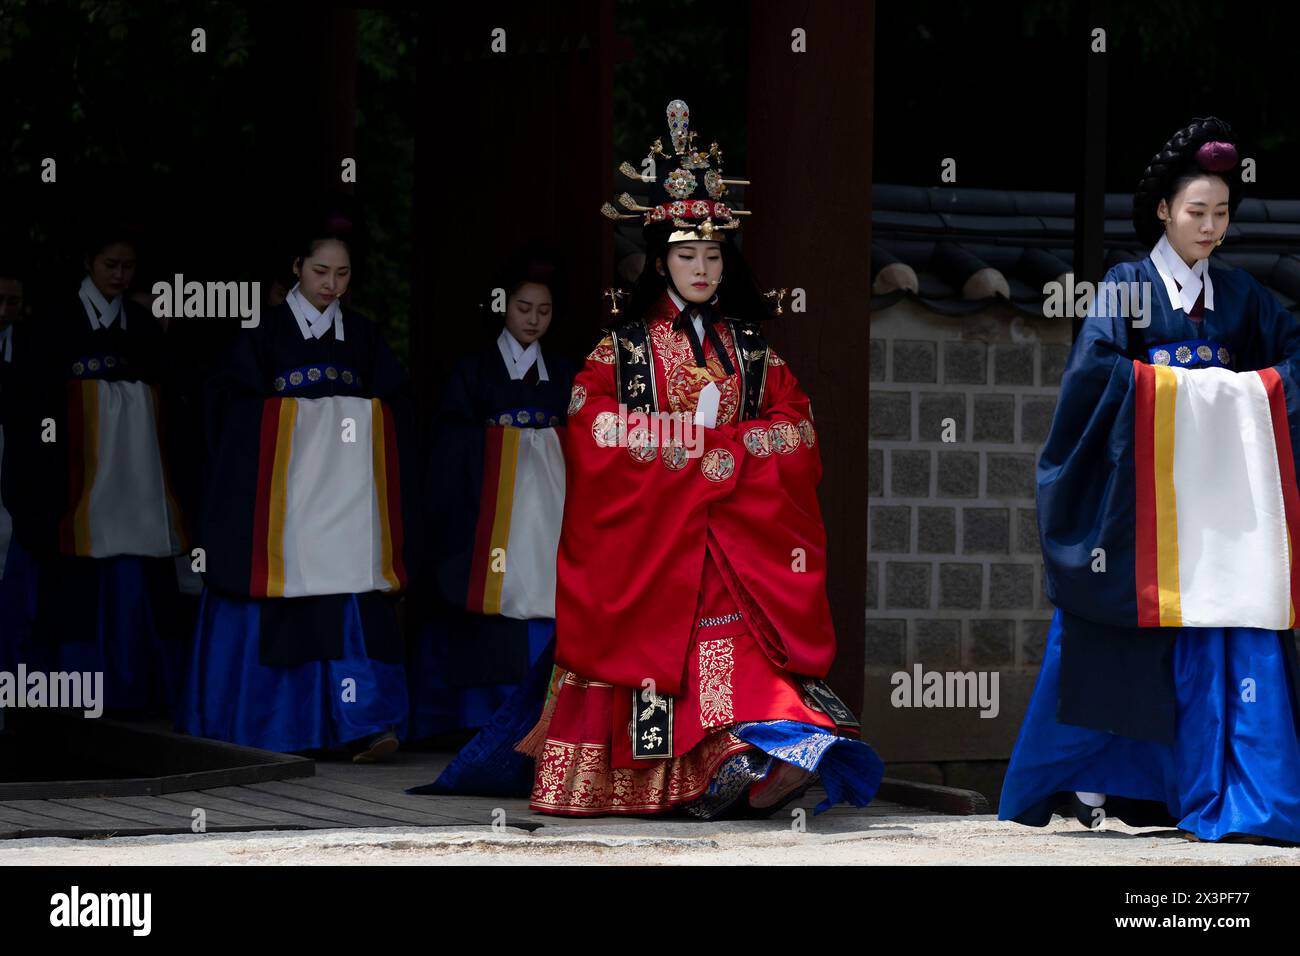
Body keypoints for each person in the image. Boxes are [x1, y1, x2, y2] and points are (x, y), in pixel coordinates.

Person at [521, 99, 884, 818]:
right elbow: (589, 424)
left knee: (734, 649)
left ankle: (757, 755)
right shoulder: (621, 351)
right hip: (654, 541)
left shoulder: (750, 350)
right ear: (660, 263)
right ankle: (716, 770)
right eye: (686, 255)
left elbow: (798, 426)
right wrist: (679, 448)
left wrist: (738, 448)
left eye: (713, 255)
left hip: (734, 539)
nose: (701, 268)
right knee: (672, 649)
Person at [999, 117, 1300, 844]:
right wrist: (1193, 393)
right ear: (1163, 211)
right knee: (1116, 633)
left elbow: (1291, 361)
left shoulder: (1243, 297)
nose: (1209, 226)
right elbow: (1093, 379)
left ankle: (1234, 788)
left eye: (1222, 213)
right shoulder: (1125, 288)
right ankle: (1117, 783)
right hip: (1146, 503)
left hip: (1220, 503)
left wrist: (1238, 393)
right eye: (1196, 211)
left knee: (1232, 628)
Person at [178, 212, 418, 761]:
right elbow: (225, 411)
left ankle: (363, 724)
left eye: (341, 274)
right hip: (281, 508)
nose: (330, 285)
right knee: (285, 597)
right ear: (296, 270)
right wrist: (304, 422)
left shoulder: (363, 337)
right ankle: (279, 726)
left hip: (344, 502)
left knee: (350, 595)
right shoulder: (260, 337)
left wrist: (347, 417)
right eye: (319, 271)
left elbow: (399, 406)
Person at [3, 226, 191, 712]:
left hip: (137, 485)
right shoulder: (49, 326)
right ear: (89, 262)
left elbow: (172, 402)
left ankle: (135, 696)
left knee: (138, 583)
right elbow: (29, 411)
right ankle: (65, 696)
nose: (121, 276)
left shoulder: (144, 327)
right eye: (111, 265)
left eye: (129, 267)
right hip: (72, 483)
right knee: (70, 592)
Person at [407, 248, 575, 750]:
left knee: (543, 593)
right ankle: (473, 715)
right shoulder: (473, 370)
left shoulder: (565, 373)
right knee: (484, 595)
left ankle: (546, 717)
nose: (533, 320)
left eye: (543, 311)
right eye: (524, 308)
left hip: (544, 511)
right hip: (490, 512)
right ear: (504, 306)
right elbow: (447, 438)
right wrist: (501, 447)